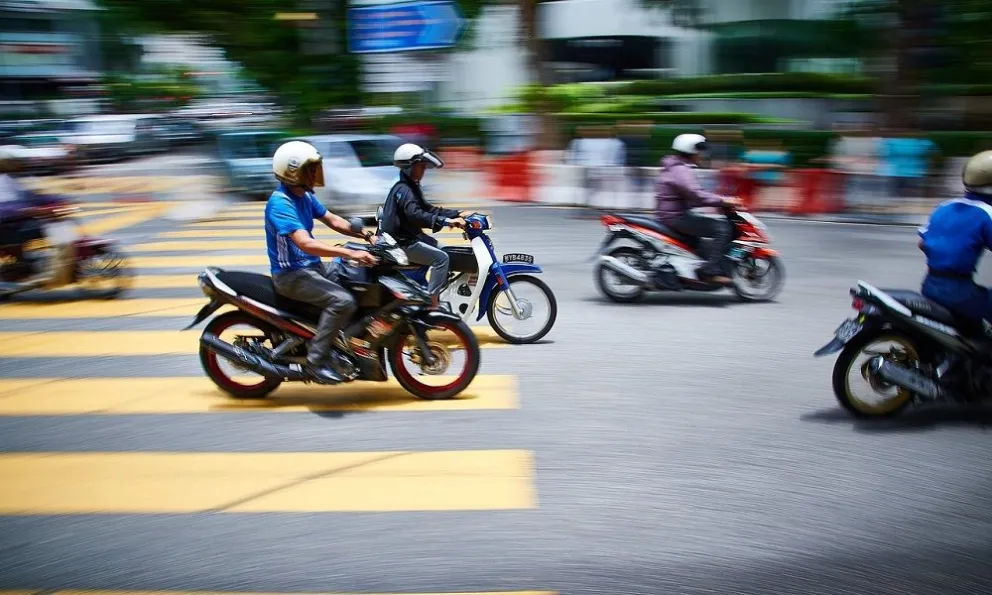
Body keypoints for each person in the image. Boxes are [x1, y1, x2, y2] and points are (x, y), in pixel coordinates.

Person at [265, 140, 379, 385]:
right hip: (291, 276)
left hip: (312, 268)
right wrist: (349, 254)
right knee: (342, 301)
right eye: (310, 169)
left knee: (357, 280)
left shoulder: (304, 196)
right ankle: (316, 363)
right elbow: (305, 243)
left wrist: (367, 235)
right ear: (292, 172)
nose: (316, 173)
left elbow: (332, 219)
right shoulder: (281, 203)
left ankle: (346, 343)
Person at [378, 143, 470, 306]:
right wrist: (447, 221)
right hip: (401, 242)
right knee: (442, 259)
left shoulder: (410, 188)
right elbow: (416, 215)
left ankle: (428, 287)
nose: (424, 170)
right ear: (409, 167)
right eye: (420, 166)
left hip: (409, 237)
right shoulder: (404, 190)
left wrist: (456, 214)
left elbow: (428, 209)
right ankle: (432, 305)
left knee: (447, 250)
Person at [655, 133, 741, 286]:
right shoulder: (680, 170)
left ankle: (697, 268)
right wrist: (722, 201)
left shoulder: (678, 167)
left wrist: (719, 202)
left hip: (674, 214)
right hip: (676, 217)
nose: (703, 155)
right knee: (722, 228)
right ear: (691, 151)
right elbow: (695, 195)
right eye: (700, 151)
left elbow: (692, 195)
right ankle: (709, 271)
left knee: (703, 238)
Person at [918, 150, 992, 325]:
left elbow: (921, 243)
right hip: (959, 293)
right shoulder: (987, 213)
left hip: (929, 285)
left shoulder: (944, 206)